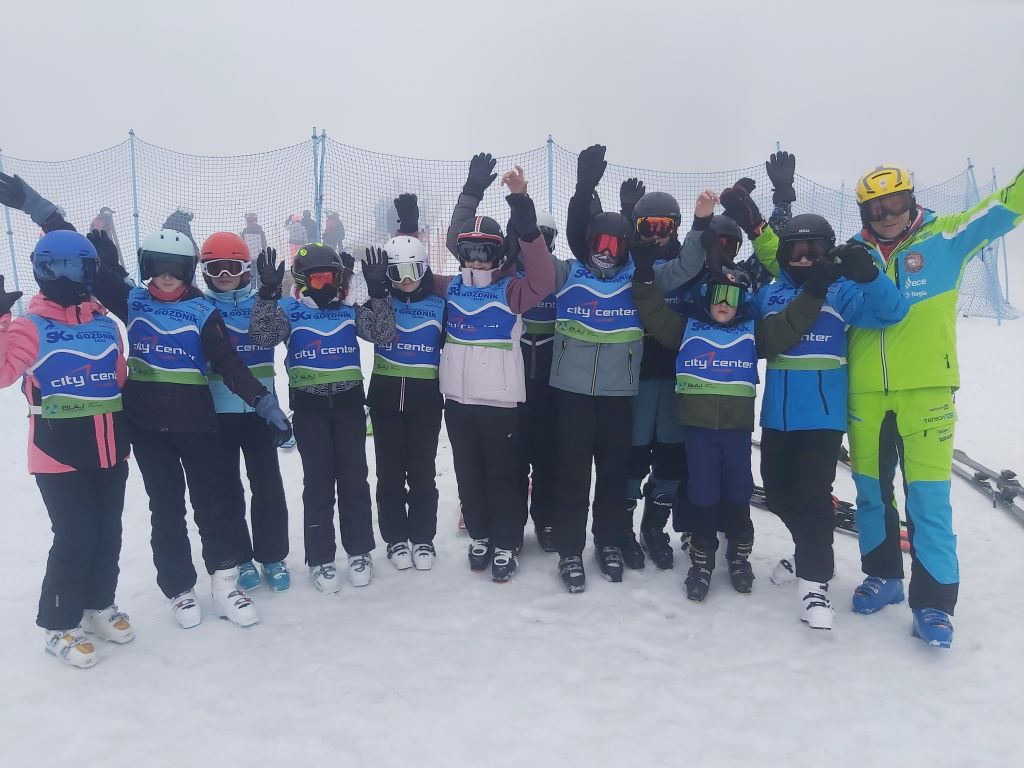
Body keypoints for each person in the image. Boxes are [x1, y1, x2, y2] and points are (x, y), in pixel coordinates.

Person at [836, 163, 1024, 648]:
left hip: (927, 392)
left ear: (911, 199)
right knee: (871, 493)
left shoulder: (948, 236)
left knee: (927, 498)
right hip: (864, 394)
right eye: (875, 209)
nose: (886, 216)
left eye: (895, 203)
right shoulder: (852, 253)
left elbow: (1006, 205)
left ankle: (934, 603)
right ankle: (884, 576)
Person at [632, 190, 826, 603]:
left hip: (736, 432)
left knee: (738, 491)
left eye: (732, 298)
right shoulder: (688, 325)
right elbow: (653, 311)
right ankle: (700, 554)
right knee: (699, 489)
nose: (724, 304)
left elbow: (789, 325)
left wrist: (814, 291)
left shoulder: (751, 332)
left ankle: (738, 554)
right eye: (717, 296)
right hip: (697, 428)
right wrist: (645, 274)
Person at [552, 144, 704, 593]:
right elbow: (591, 239)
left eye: (664, 227)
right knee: (600, 470)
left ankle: (626, 534)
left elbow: (688, 265)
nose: (655, 235)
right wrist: (585, 191)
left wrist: (703, 224)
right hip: (614, 385)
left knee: (632, 467)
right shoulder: (608, 265)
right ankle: (580, 545)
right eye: (647, 226)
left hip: (645, 382)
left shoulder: (651, 270)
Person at [749, 213, 908, 629]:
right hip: (777, 415)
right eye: (796, 251)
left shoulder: (841, 292)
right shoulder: (770, 295)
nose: (804, 259)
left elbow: (892, 312)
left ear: (827, 251)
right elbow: (739, 326)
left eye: (814, 251)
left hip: (822, 416)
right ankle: (810, 551)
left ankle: (814, 585)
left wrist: (869, 275)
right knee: (777, 495)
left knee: (813, 497)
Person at [0, 229, 132, 668]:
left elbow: (118, 379)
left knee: (108, 533)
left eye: (75, 267)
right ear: (40, 270)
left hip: (109, 450)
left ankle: (99, 604)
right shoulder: (31, 325)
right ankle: (58, 624)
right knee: (75, 537)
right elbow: (3, 373)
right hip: (58, 453)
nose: (64, 276)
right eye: (53, 267)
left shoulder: (105, 324)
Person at [249, 242, 395, 592]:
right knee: (318, 485)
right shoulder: (290, 311)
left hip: (349, 410)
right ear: (302, 282)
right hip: (310, 413)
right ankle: (321, 557)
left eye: (331, 278)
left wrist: (378, 292)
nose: (325, 286)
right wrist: (267, 294)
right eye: (317, 280)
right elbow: (262, 337)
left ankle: (359, 550)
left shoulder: (348, 311)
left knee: (355, 481)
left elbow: (384, 334)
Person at [437, 157, 555, 582]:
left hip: (501, 404)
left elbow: (543, 278)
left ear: (498, 254)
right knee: (468, 474)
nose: (476, 260)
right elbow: (443, 244)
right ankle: (481, 535)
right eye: (469, 252)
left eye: (485, 252)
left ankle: (507, 541)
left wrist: (520, 203)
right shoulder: (449, 287)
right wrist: (471, 193)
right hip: (458, 402)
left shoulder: (512, 290)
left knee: (504, 475)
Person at [199, 232, 291, 592]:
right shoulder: (200, 307)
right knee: (227, 488)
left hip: (260, 412)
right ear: (205, 272)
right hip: (217, 410)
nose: (224, 275)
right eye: (216, 268)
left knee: (267, 485)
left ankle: (272, 555)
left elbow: (277, 337)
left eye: (232, 267)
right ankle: (240, 557)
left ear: (246, 270)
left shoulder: (263, 303)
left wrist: (268, 295)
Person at [367, 194, 445, 571]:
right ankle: (396, 537)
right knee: (390, 474)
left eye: (414, 271)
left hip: (425, 403)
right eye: (397, 274)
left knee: (422, 472)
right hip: (385, 402)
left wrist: (409, 229)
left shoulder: (439, 303)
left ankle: (423, 537)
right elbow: (374, 331)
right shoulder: (381, 303)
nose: (407, 280)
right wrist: (378, 292)